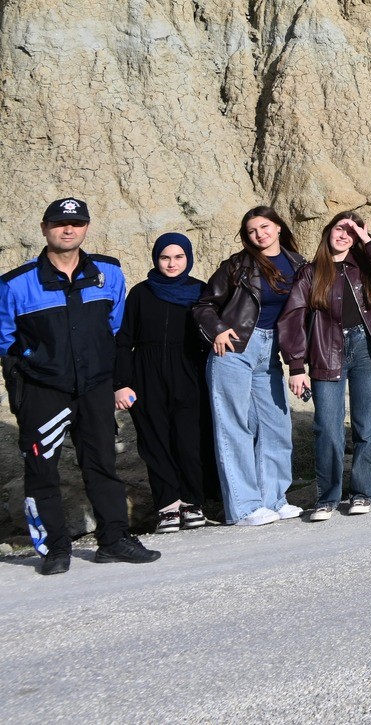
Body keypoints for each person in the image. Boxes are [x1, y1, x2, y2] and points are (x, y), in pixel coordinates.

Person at [2, 198, 158, 574]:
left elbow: (117, 330)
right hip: (44, 391)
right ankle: (55, 549)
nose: (67, 230)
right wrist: (27, 379)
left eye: (75, 223)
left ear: (86, 227)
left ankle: (113, 540)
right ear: (44, 228)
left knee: (102, 464)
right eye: (58, 223)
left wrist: (117, 381)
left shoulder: (108, 273)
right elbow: (5, 341)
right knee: (42, 470)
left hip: (95, 388)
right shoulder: (15, 284)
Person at [278, 211, 371, 520]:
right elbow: (292, 317)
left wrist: (366, 238)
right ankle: (328, 498)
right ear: (327, 232)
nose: (344, 234)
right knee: (328, 430)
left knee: (366, 427)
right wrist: (295, 366)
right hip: (326, 351)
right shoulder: (309, 271)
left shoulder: (364, 266)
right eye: (339, 228)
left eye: (351, 230)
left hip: (367, 350)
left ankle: (362, 493)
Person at [194, 205, 303, 527]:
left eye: (265, 227)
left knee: (276, 426)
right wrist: (217, 329)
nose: (259, 234)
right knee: (235, 428)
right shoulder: (237, 266)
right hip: (236, 349)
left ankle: (274, 499)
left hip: (271, 353)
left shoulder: (298, 264)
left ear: (279, 227)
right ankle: (244, 507)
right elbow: (203, 305)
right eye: (253, 230)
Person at [113, 232, 218, 532]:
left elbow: (213, 335)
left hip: (190, 374)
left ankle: (192, 502)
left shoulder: (200, 291)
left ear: (188, 258)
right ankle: (168, 506)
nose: (172, 264)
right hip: (146, 376)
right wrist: (121, 383)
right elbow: (123, 341)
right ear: (156, 259)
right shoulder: (141, 293)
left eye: (178, 257)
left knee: (190, 441)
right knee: (154, 442)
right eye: (165, 257)